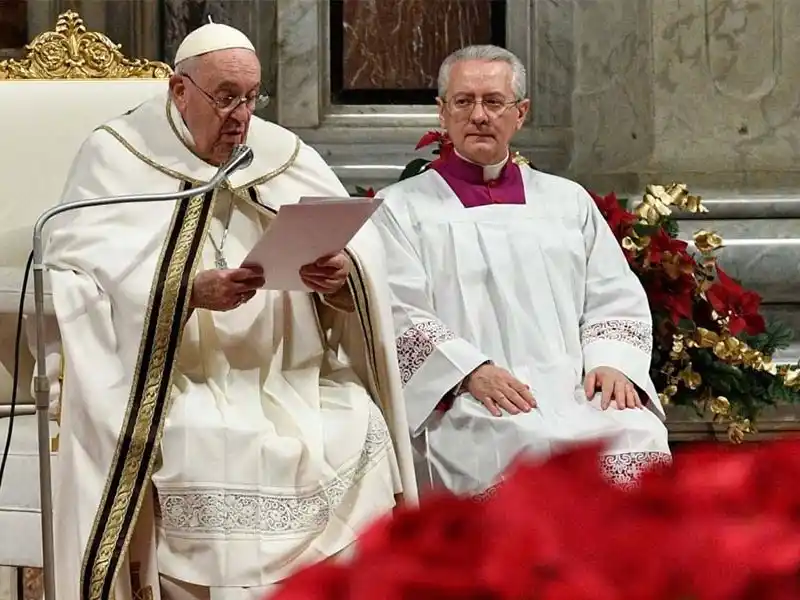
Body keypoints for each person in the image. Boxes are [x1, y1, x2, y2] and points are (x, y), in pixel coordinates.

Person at [45, 21, 416, 600]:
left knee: (352, 422)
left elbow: (359, 259)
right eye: (224, 98)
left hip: (287, 369)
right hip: (177, 376)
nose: (240, 116)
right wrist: (185, 292)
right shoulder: (116, 157)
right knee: (207, 438)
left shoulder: (280, 154)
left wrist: (340, 279)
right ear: (179, 91)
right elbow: (73, 265)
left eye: (250, 97)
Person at [371, 44, 671, 499]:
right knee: (520, 445)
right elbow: (398, 311)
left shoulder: (566, 201)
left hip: (575, 386)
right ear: (442, 112)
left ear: (521, 113)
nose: (479, 116)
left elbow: (613, 294)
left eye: (494, 102)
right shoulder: (400, 209)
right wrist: (468, 372)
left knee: (634, 434)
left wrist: (613, 361)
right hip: (476, 394)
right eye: (463, 101)